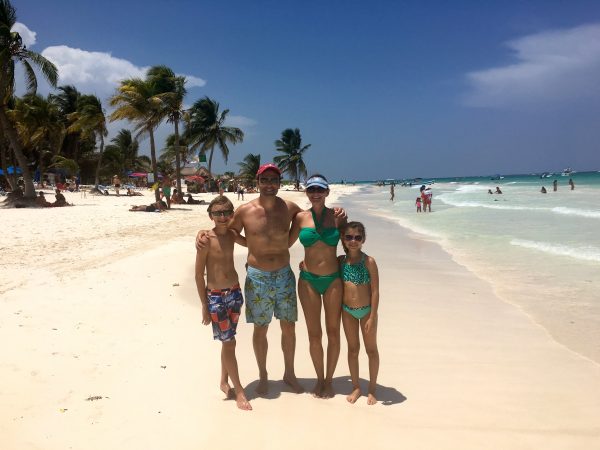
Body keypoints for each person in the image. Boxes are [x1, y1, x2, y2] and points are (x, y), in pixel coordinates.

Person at [196, 163, 345, 396]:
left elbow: (312, 220)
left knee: (289, 327)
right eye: (264, 180)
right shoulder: (245, 211)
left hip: (284, 274)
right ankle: (263, 375)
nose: (269, 184)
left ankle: (289, 374)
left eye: (273, 180)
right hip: (257, 276)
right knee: (261, 328)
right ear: (257, 182)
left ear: (278, 183)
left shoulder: (289, 208)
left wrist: (337, 213)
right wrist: (204, 232)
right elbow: (227, 230)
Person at [289, 174, 346, 398]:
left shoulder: (338, 216)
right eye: (311, 189)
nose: (315, 193)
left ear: (327, 193)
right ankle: (319, 378)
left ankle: (329, 380)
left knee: (333, 332)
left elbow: (351, 242)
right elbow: (283, 243)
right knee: (314, 334)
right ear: (307, 193)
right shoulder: (301, 218)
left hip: (333, 280)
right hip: (308, 281)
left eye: (320, 190)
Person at [195, 196, 252, 411]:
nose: (222, 217)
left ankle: (223, 381)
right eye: (217, 213)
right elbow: (199, 275)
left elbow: (252, 243)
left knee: (228, 342)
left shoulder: (232, 235)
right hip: (216, 297)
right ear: (210, 215)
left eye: (226, 213)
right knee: (229, 343)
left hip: (235, 293)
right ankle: (239, 391)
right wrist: (204, 305)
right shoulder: (205, 240)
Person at [338, 221, 380, 405]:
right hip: (347, 312)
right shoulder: (340, 261)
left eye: (357, 237)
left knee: (371, 350)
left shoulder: (368, 261)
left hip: (366, 313)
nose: (353, 241)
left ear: (363, 239)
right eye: (349, 237)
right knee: (353, 349)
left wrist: (372, 315)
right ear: (343, 239)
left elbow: (375, 291)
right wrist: (303, 264)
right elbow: (322, 267)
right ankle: (356, 386)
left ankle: (372, 389)